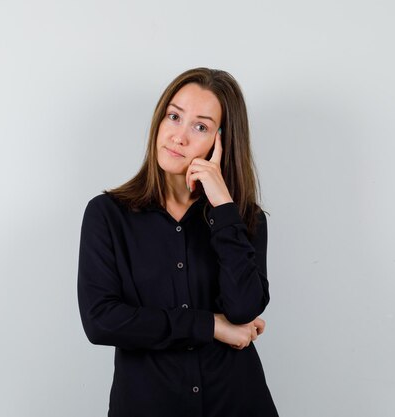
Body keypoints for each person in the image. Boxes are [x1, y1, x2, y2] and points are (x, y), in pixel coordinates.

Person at [77, 67, 278, 417]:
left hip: (236, 403)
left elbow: (245, 308)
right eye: (174, 116)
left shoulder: (243, 218)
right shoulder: (108, 215)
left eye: (200, 126)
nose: (178, 136)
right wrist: (210, 326)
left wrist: (223, 208)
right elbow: (101, 320)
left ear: (221, 141)